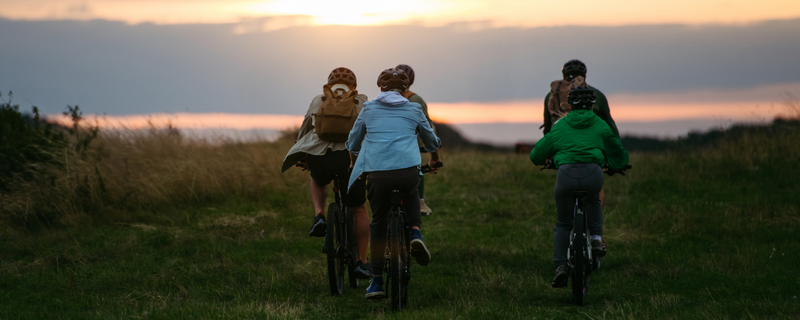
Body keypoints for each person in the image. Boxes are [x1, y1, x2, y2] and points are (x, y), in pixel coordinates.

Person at [346, 67, 442, 299]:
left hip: (378, 174)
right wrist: (435, 158)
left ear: (380, 87)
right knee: (411, 194)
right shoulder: (414, 108)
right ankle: (416, 234)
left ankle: (377, 281)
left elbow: (353, 142)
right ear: (405, 88)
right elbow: (430, 139)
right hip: (407, 171)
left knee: (378, 222)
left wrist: (354, 162)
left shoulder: (369, 109)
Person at [530, 86, 629, 288]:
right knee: (594, 200)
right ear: (592, 105)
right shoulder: (600, 125)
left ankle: (560, 266)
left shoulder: (560, 125)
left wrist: (546, 160)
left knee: (563, 223)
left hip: (565, 176)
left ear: (570, 106)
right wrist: (618, 165)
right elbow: (617, 150)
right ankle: (596, 238)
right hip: (593, 174)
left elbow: (536, 155)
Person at [280, 67, 372, 279]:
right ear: (354, 86)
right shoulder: (362, 101)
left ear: (329, 85)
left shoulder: (318, 100)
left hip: (321, 156)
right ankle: (361, 261)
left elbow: (305, 129)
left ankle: (319, 215)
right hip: (350, 159)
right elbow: (370, 130)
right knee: (358, 208)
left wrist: (303, 155)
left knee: (317, 179)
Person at [543, 59, 620, 210]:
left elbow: (547, 130)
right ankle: (596, 224)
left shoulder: (551, 96)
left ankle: (566, 221)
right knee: (597, 189)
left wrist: (547, 154)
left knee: (563, 187)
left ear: (564, 76)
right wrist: (616, 157)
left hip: (562, 151)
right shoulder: (597, 95)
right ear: (585, 76)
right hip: (593, 151)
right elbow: (611, 130)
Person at [395, 64, 442, 215]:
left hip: (386, 146)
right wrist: (434, 154)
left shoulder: (382, 99)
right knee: (416, 165)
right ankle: (420, 201)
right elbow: (426, 127)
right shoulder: (415, 99)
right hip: (411, 144)